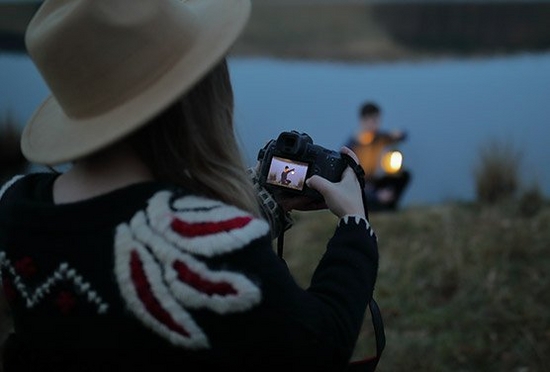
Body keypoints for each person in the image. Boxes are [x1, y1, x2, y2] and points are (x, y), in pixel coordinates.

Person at [0, 1, 380, 371]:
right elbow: (319, 347)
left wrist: (267, 201)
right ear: (197, 93)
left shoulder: (15, 207)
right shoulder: (198, 244)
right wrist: (354, 225)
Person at [346, 102, 410, 211]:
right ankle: (376, 204)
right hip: (360, 185)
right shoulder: (352, 145)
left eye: (377, 120)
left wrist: (399, 134)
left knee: (403, 175)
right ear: (363, 121)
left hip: (376, 180)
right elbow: (350, 178)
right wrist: (375, 195)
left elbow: (402, 135)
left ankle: (390, 206)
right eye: (372, 120)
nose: (375, 124)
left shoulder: (380, 138)